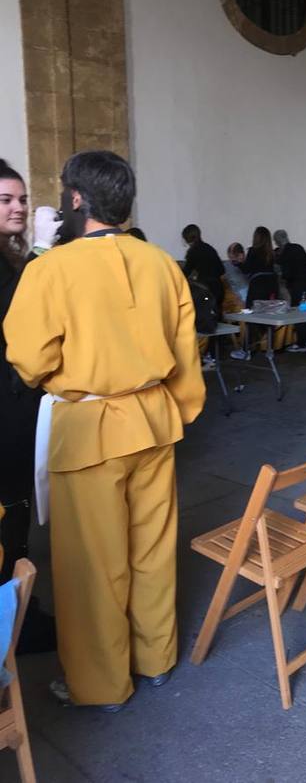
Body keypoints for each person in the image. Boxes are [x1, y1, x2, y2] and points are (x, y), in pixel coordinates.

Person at [4, 150, 205, 711]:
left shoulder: (51, 268)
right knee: (153, 550)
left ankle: (101, 684)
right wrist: (177, 410)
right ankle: (156, 657)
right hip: (153, 421)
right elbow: (187, 352)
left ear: (74, 199)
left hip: (89, 428)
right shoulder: (162, 263)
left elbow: (28, 357)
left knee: (92, 564)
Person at [0, 159, 58, 653]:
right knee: (9, 512)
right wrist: (41, 251)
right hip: (4, 407)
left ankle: (18, 609)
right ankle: (14, 623)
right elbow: (16, 313)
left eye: (21, 199)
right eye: (5, 201)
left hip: (16, 402)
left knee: (17, 508)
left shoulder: (9, 255)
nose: (18, 208)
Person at [231, 226, 280, 360]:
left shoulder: (253, 251)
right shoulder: (271, 253)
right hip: (272, 285)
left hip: (258, 285)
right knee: (269, 315)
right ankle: (270, 349)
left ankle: (246, 350)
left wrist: (238, 263)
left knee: (251, 317)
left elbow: (247, 269)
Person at [273, 229, 306, 353]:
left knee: (299, 314)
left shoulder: (285, 253)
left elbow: (287, 273)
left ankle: (302, 343)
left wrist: (281, 278)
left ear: (277, 241)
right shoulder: (298, 247)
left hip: (299, 286)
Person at [182, 223, 224, 306]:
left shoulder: (192, 252)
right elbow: (222, 270)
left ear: (187, 239)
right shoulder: (210, 248)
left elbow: (185, 273)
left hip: (205, 290)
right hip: (219, 289)